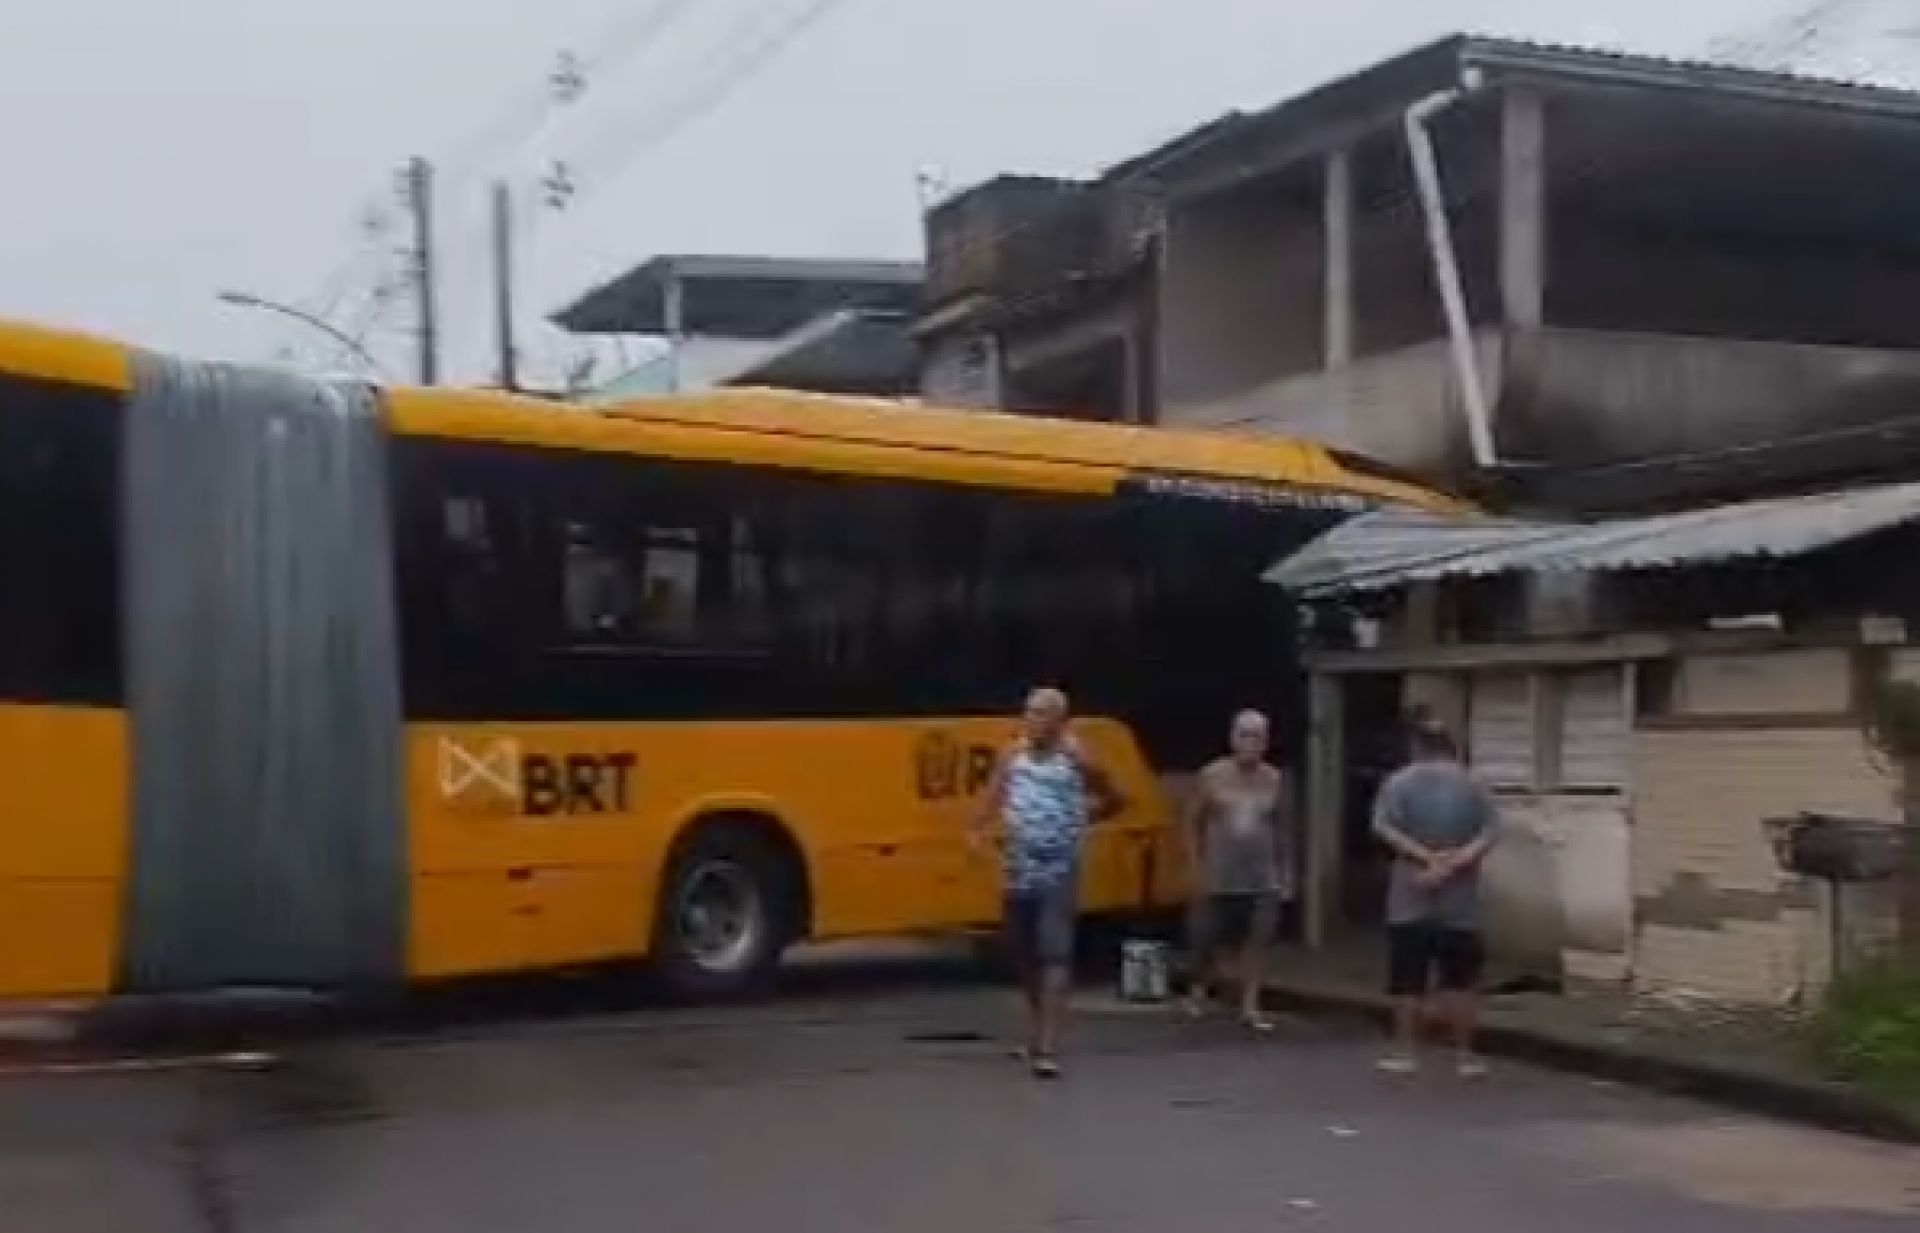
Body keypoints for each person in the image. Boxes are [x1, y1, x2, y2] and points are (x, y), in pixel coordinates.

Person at [971, 686, 1125, 1079]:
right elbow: (992, 797)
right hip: (1018, 866)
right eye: (1029, 712)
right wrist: (978, 831)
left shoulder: (1077, 757)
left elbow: (1114, 796)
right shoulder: (1013, 755)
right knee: (1021, 952)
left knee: (1054, 951)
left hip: (1060, 868)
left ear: (1060, 720)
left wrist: (1083, 819)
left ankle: (1049, 1045)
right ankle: (1035, 1027)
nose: (1032, 720)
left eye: (1041, 713)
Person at [1370, 719, 1499, 1077]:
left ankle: (1405, 1054)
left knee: (1408, 981)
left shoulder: (1398, 783)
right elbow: (1491, 833)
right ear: (1452, 745)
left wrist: (1427, 858)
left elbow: (1382, 827)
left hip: (1410, 894)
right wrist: (1455, 860)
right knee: (1462, 981)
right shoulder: (1474, 784)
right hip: (1462, 902)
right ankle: (1465, 1056)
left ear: (1417, 746)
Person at [1181, 709, 1292, 1032]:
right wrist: (1193, 863)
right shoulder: (1212, 775)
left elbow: (1283, 827)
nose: (1251, 743)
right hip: (1217, 872)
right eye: (1245, 735)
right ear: (1232, 738)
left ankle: (1250, 1004)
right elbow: (1192, 822)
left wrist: (1286, 871)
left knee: (1257, 938)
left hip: (1260, 874)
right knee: (1204, 935)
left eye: (1258, 736)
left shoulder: (1274, 779)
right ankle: (1198, 988)